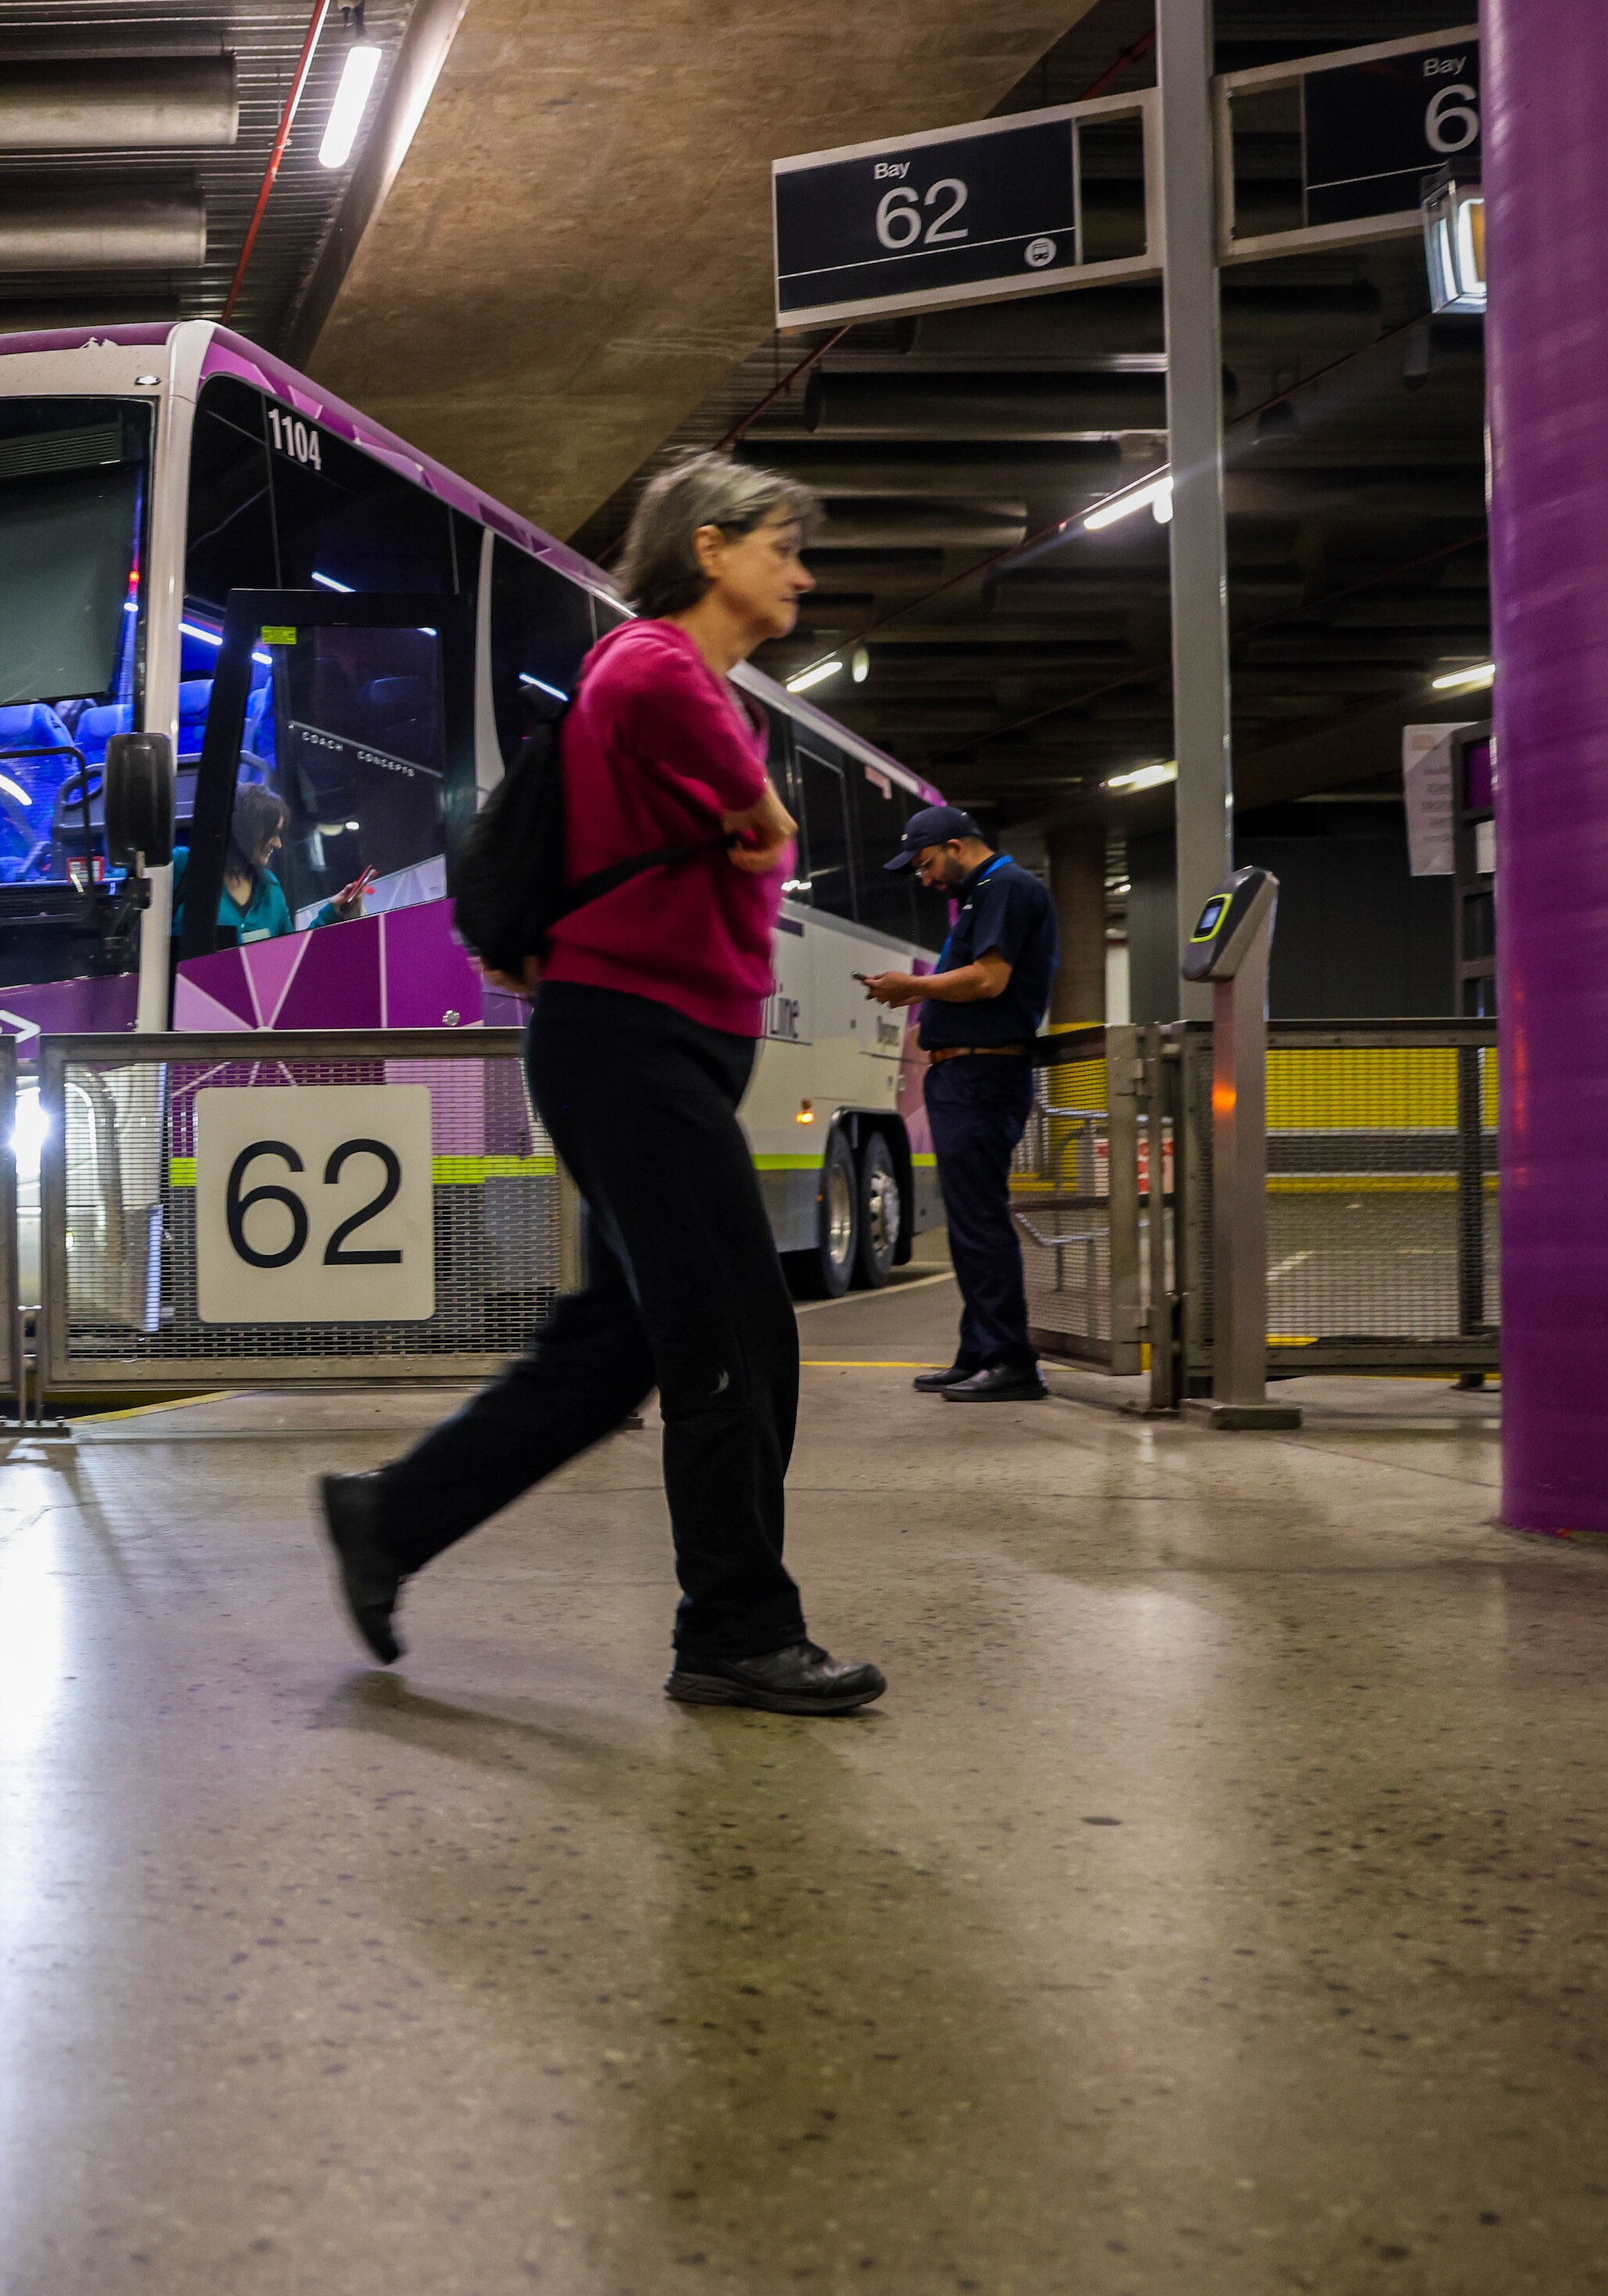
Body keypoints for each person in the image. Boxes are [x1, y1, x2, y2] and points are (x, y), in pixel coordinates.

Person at [312, 456, 885, 1716]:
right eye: (784, 544)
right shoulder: (656, 662)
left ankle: (389, 1518)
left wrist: (754, 808)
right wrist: (760, 806)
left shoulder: (711, 690)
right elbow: (684, 740)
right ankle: (735, 1625)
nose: (801, 571)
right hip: (627, 1044)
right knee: (737, 1330)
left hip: (651, 1046)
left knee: (609, 1352)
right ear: (713, 546)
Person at [861, 807, 1059, 1402]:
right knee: (969, 1222)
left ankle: (1010, 1360)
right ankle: (978, 1350)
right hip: (964, 1073)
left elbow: (990, 979)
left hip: (983, 1073)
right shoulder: (982, 894)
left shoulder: (1006, 886)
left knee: (980, 1220)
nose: (926, 879)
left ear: (955, 845)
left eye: (926, 865)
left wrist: (914, 986)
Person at [174, 784, 367, 940]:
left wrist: (332, 912)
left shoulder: (270, 887)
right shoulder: (184, 865)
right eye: (271, 833)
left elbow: (291, 953)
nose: (278, 844)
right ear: (244, 829)